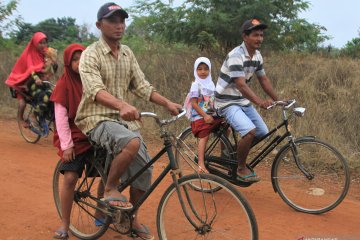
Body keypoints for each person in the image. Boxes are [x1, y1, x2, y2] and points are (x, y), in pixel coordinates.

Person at [75, 3, 182, 239]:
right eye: (112, 20)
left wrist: (167, 103)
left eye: (122, 20)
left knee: (144, 171)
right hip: (96, 118)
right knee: (131, 142)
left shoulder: (127, 53)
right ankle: (111, 188)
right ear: (99, 25)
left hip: (123, 122)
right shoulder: (90, 54)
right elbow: (95, 90)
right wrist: (121, 105)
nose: (119, 25)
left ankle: (130, 218)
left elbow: (141, 86)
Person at [214, 19, 280, 183]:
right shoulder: (236, 55)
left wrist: (279, 100)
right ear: (245, 37)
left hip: (241, 101)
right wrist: (260, 102)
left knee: (262, 132)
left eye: (261, 35)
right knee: (250, 131)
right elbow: (241, 85)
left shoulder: (257, 55)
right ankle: (240, 167)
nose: (259, 38)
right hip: (226, 101)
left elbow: (263, 80)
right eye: (255, 35)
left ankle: (233, 155)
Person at [50, 44, 93, 239]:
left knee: (111, 169)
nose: (79, 63)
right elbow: (60, 118)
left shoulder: (91, 79)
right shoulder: (63, 85)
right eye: (75, 60)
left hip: (93, 131)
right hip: (73, 136)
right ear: (68, 63)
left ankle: (103, 213)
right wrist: (66, 145)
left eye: (82, 58)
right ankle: (65, 224)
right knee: (70, 177)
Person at [5, 32, 56, 127]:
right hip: (27, 83)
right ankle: (32, 116)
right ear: (35, 43)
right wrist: (36, 78)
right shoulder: (29, 55)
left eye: (45, 43)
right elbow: (31, 69)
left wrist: (53, 63)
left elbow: (50, 70)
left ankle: (46, 116)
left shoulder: (45, 55)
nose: (43, 45)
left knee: (54, 96)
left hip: (41, 83)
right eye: (40, 43)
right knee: (43, 98)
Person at [185, 57, 223, 173]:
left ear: (210, 70)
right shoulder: (196, 85)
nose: (202, 72)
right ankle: (200, 162)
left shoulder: (211, 84)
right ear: (195, 71)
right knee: (204, 135)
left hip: (211, 114)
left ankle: (224, 155)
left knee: (227, 126)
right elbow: (194, 104)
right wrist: (205, 116)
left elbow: (212, 102)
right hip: (199, 116)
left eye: (206, 69)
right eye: (199, 69)